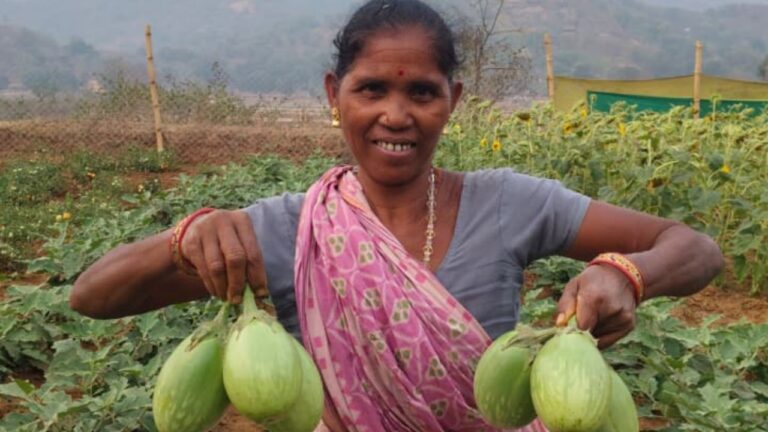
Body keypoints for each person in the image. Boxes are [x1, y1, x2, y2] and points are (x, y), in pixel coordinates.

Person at [70, 1, 724, 430]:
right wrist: (185, 235)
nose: (396, 114)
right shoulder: (290, 229)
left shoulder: (509, 203)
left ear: (453, 100)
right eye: (371, 89)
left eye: (421, 92)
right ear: (335, 95)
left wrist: (626, 274)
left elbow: (693, 247)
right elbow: (92, 296)